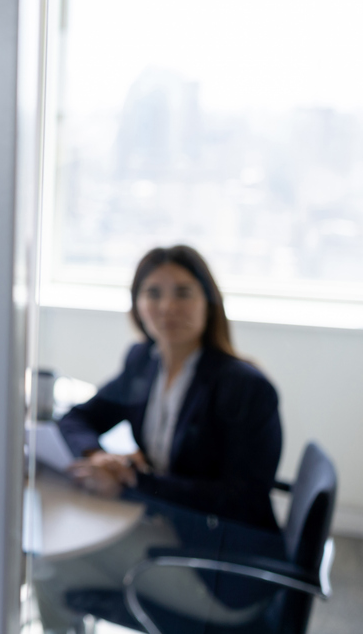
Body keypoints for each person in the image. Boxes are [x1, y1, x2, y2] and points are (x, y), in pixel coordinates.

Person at [35, 245, 285, 634]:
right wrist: (96, 455)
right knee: (50, 564)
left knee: (47, 561)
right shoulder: (144, 362)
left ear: (209, 301)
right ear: (137, 305)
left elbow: (241, 497)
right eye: (153, 293)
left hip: (223, 570)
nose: (167, 306)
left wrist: (136, 481)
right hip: (173, 529)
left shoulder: (244, 387)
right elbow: (81, 417)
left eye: (183, 292)